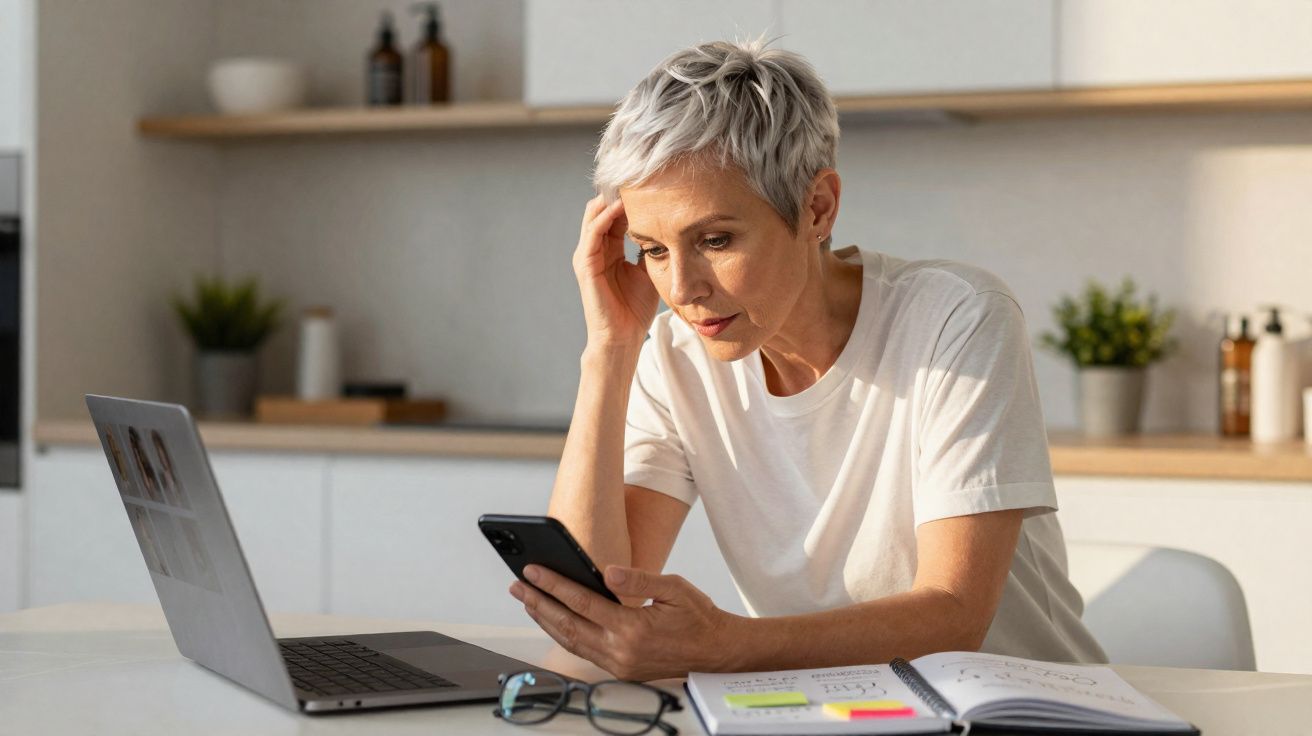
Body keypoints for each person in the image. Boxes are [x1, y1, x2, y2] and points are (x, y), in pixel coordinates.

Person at [508, 39, 1107, 680]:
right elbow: (594, 608)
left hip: (1018, 706)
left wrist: (726, 644)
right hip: (822, 709)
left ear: (816, 207)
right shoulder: (676, 357)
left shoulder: (956, 320)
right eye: (653, 249)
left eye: (714, 240)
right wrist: (610, 350)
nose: (681, 290)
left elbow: (957, 616)